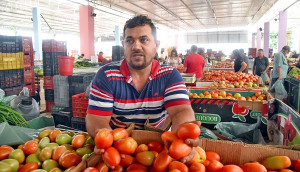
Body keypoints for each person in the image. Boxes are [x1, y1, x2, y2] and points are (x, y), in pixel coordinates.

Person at [85, 15, 195, 138]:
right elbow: (97, 118)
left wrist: (183, 137)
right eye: (130, 41)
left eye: (144, 40)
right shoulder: (106, 75)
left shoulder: (169, 75)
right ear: (123, 45)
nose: (136, 47)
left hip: (156, 144)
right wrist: (105, 139)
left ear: (156, 45)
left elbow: (181, 111)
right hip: (117, 146)